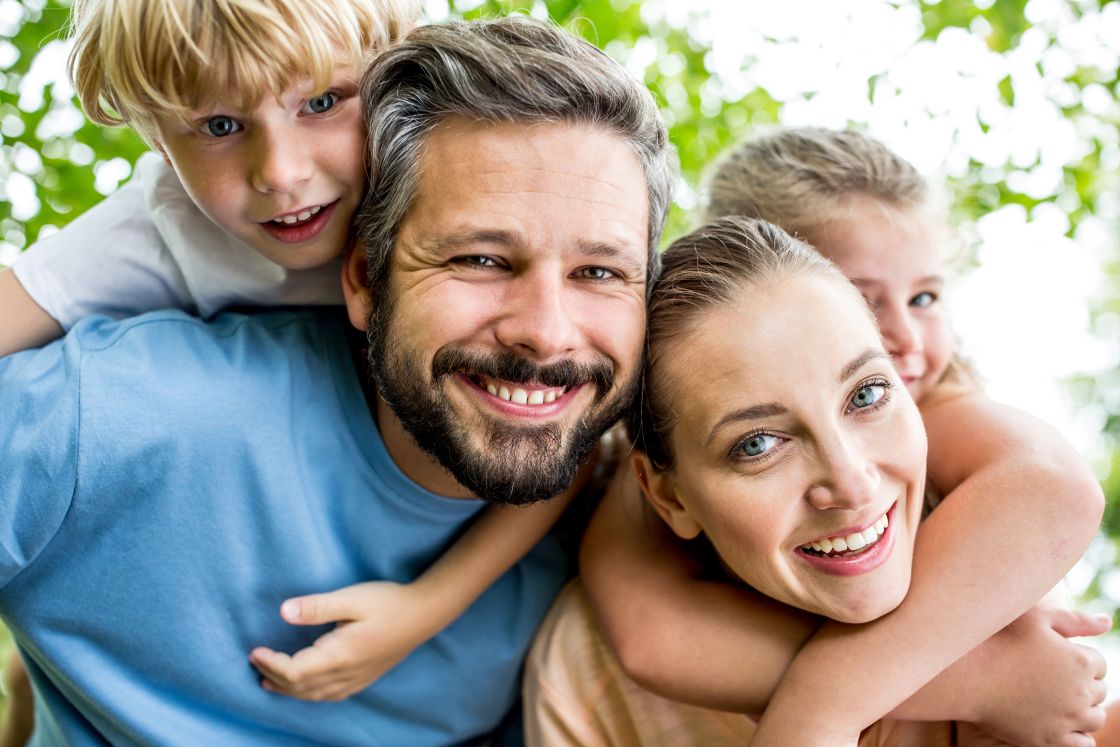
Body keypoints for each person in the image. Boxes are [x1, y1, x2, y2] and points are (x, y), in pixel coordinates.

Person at [0, 16, 672, 745]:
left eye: (599, 272)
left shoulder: (610, 502)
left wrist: (429, 604)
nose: (282, 173)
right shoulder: (106, 393)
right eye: (479, 258)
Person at [569, 128, 1107, 745]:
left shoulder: (938, 400)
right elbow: (651, 635)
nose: (905, 336)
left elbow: (1059, 488)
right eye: (865, 299)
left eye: (926, 296)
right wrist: (974, 680)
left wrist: (822, 706)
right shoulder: (670, 447)